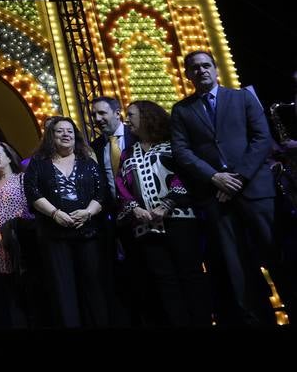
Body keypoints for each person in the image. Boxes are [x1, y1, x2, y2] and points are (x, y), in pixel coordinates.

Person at [170, 49, 276, 326]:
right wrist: (215, 177)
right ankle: (254, 319)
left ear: (216, 69)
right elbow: (182, 151)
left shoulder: (242, 98)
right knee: (236, 264)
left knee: (275, 252)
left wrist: (237, 178)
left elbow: (262, 138)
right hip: (216, 196)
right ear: (188, 74)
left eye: (206, 65)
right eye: (195, 68)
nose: (202, 70)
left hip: (255, 190)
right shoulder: (182, 109)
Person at [118, 99, 211, 327]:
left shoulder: (172, 145)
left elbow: (184, 175)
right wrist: (134, 207)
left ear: (147, 116)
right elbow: (122, 184)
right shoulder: (128, 152)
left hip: (179, 220)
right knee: (163, 280)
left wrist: (168, 203)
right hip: (146, 225)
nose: (126, 120)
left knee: (190, 275)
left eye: (131, 115)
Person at [24, 117, 108, 327]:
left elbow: (102, 192)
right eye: (59, 131)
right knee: (63, 290)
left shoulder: (88, 161)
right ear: (51, 136)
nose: (65, 134)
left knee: (93, 288)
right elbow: (32, 192)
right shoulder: (38, 163)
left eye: (70, 131)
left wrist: (88, 212)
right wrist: (54, 213)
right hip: (54, 236)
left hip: (87, 233)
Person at [0, 141, 35, 326]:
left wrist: (15, 227)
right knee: (13, 293)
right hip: (3, 247)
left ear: (9, 157)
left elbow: (32, 206)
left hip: (24, 242)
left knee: (31, 288)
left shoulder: (22, 179)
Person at [90, 95, 135, 324]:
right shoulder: (97, 146)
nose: (97, 119)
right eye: (94, 115)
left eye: (102, 113)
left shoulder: (136, 136)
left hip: (150, 214)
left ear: (117, 113)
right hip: (119, 219)